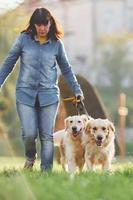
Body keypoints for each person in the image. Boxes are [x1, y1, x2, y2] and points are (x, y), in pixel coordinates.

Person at [0, 7, 84, 172]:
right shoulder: (24, 39)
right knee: (29, 134)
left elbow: (66, 69)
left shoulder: (56, 44)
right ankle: (31, 157)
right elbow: (9, 63)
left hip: (49, 95)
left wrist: (77, 90)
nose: (42, 28)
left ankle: (46, 172)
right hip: (25, 94)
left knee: (46, 136)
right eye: (38, 25)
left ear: (50, 23)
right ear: (33, 25)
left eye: (45, 24)